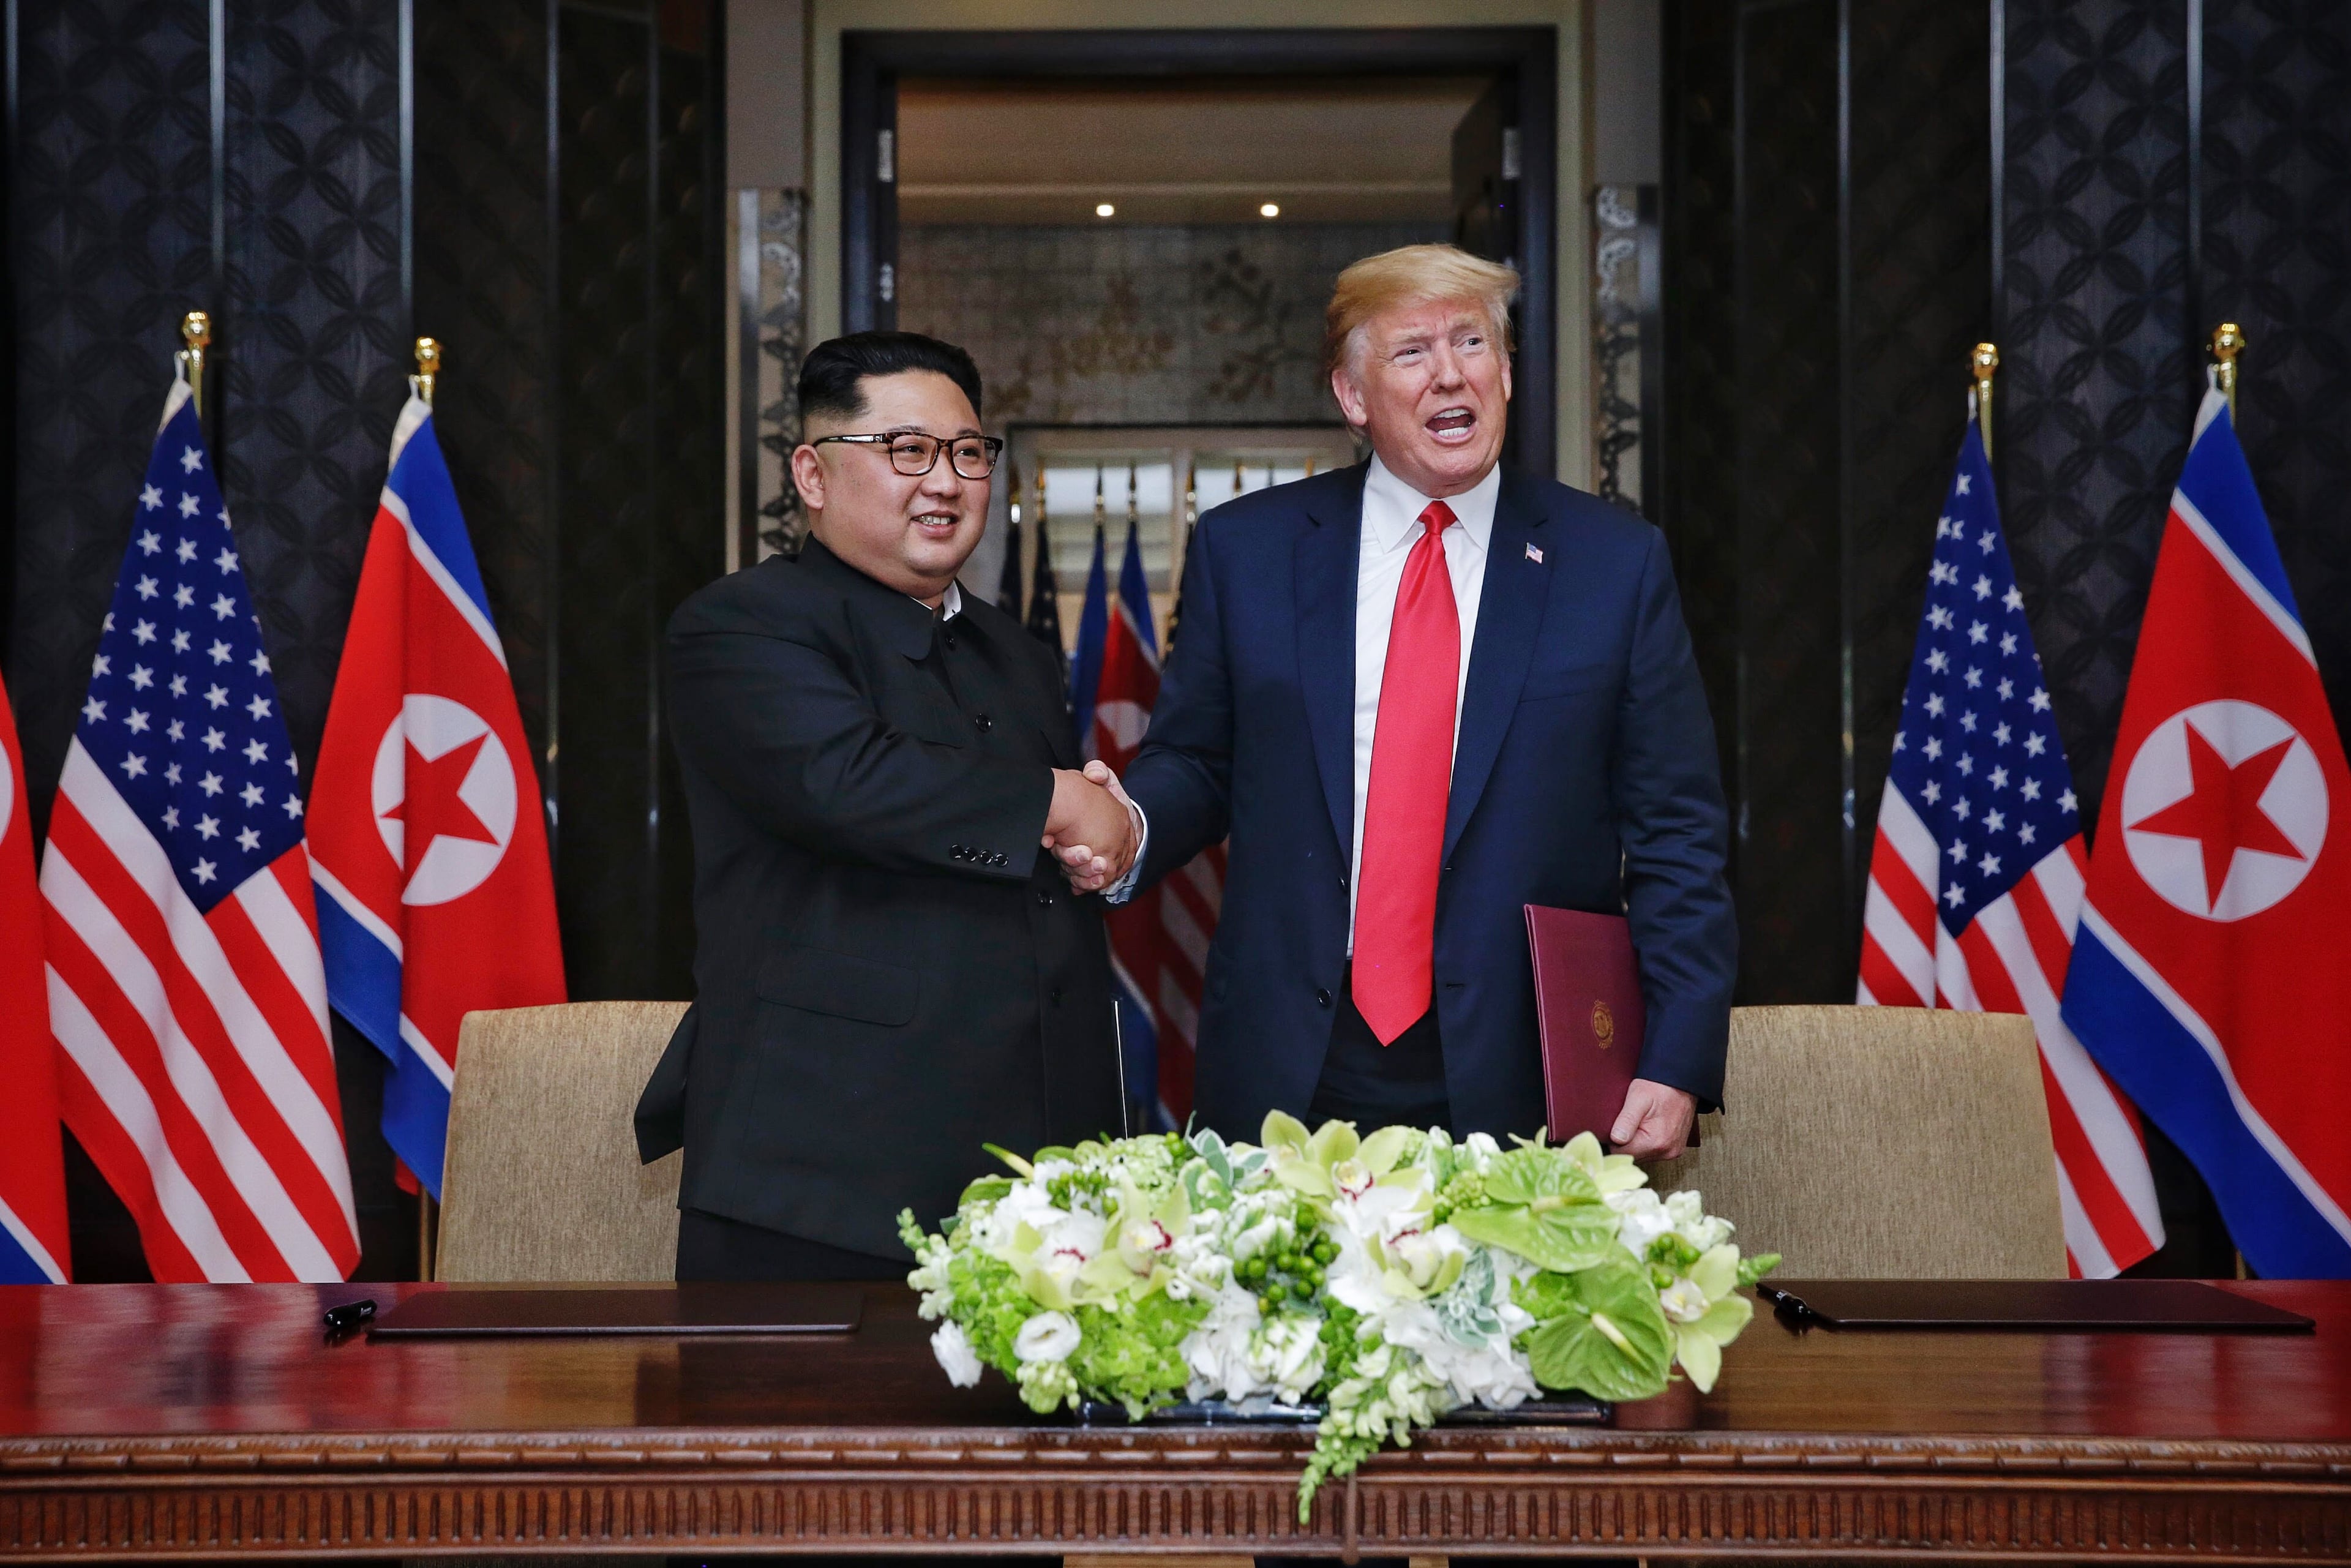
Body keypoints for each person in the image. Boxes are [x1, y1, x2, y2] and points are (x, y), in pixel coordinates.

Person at [1071, 244, 1734, 1161]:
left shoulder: (1613, 564)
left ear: (1505, 372)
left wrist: (1677, 1054)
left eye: (1472, 342)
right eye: (1413, 351)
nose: (1451, 372)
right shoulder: (1250, 552)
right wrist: (1129, 826)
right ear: (1352, 396)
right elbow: (1199, 759)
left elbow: (1678, 830)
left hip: (1525, 1062)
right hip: (1292, 1052)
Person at [637, 330, 1137, 1283]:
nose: (944, 481)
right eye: (906, 451)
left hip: (1038, 1182)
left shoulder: (1018, 654)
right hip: (824, 1178)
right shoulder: (743, 622)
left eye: (967, 453)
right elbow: (846, 782)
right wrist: (1055, 799)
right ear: (814, 476)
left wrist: (1094, 841)